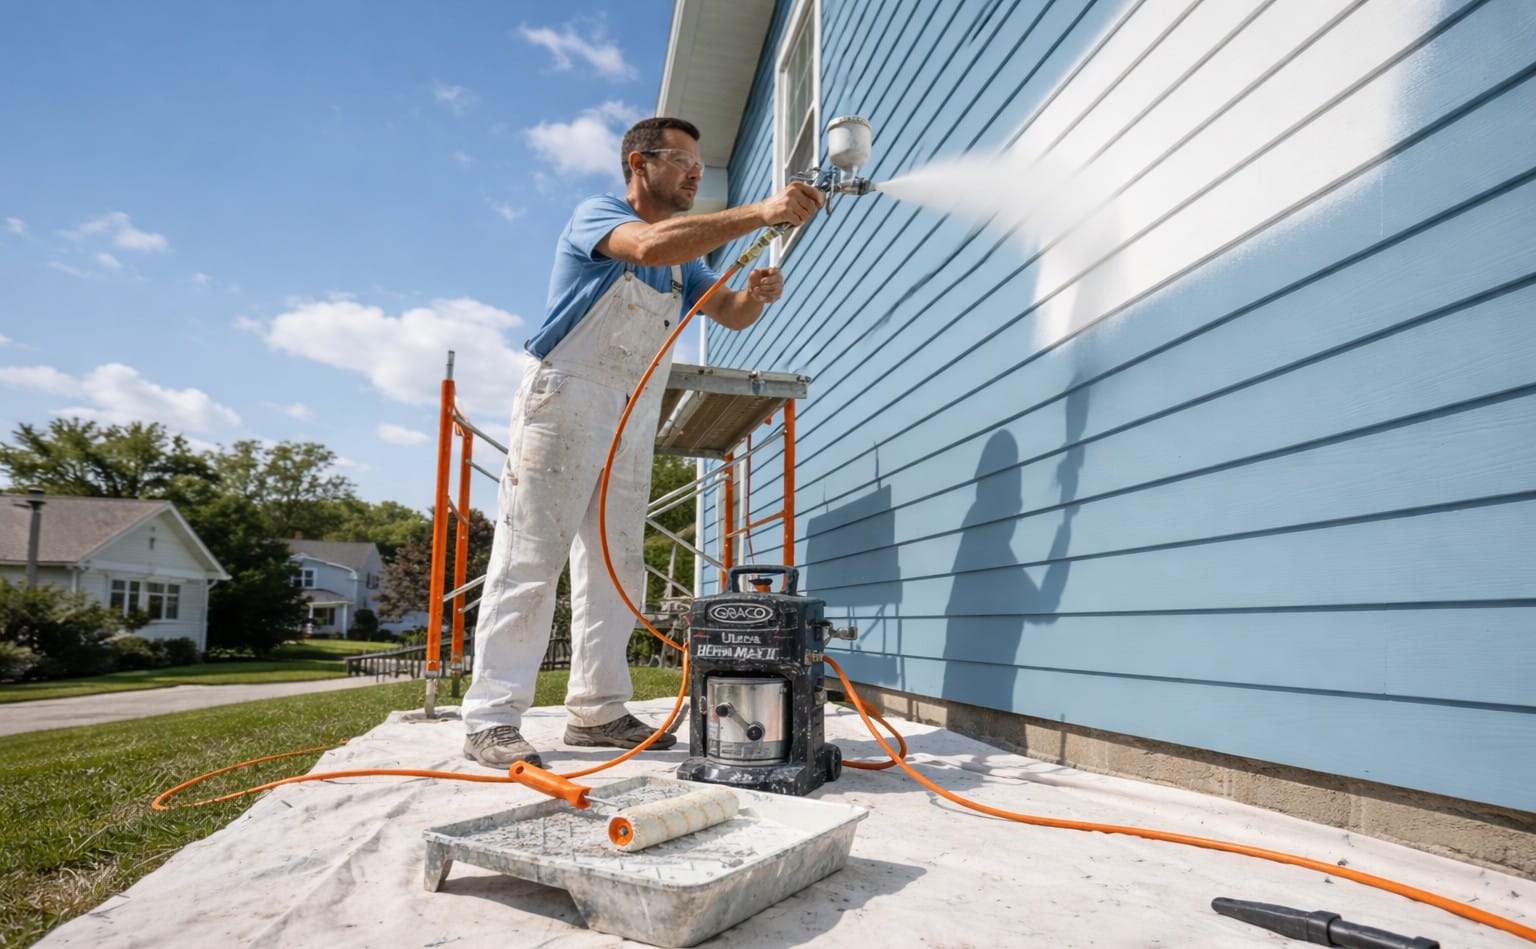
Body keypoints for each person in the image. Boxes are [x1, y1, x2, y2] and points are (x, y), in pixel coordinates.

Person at [462, 117, 824, 768]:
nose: (694, 173)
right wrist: (762, 209)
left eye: (698, 164)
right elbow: (649, 246)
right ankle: (491, 718)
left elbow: (733, 315)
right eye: (683, 161)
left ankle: (596, 712)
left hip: (630, 414)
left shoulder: (688, 257)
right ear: (639, 162)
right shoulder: (600, 217)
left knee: (618, 564)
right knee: (531, 557)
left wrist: (757, 296)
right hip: (566, 396)